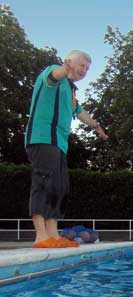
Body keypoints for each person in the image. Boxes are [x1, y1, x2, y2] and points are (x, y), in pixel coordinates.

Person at [25, 50, 108, 249]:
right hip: (42, 137)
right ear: (69, 62)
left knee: (59, 187)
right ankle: (41, 236)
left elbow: (81, 113)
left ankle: (53, 234)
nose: (84, 70)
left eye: (87, 68)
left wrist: (96, 127)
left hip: (59, 145)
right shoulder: (54, 72)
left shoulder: (70, 92)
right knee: (44, 183)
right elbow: (53, 77)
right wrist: (65, 69)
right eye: (81, 66)